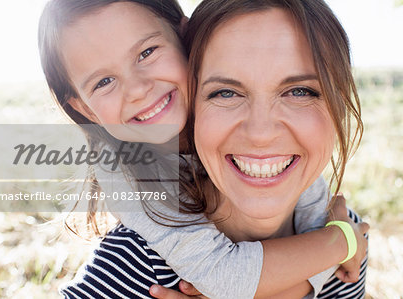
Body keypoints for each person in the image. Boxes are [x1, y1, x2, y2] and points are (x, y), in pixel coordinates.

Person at [37, 0, 368, 298]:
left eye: (147, 53)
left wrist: (338, 236)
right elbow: (221, 277)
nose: (138, 89)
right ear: (85, 109)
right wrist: (342, 243)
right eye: (103, 81)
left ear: (184, 37)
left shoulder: (335, 224)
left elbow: (313, 210)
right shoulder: (130, 196)